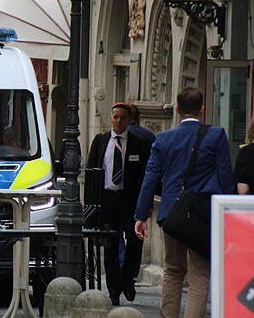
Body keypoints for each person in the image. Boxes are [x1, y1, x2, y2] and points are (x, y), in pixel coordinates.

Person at [134, 87, 235, 318]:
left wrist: (141, 216)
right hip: (202, 215)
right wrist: (230, 213)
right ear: (202, 107)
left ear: (177, 109)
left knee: (173, 270)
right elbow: (225, 178)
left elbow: (150, 179)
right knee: (199, 275)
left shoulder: (162, 139)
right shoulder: (216, 135)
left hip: (172, 214)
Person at [87, 102, 151, 306]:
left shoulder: (138, 143)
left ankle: (128, 278)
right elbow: (91, 173)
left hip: (130, 201)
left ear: (129, 120)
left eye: (122, 118)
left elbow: (145, 176)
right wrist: (91, 204)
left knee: (134, 241)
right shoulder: (100, 141)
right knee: (111, 245)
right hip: (107, 200)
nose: (118, 121)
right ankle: (114, 289)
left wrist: (145, 204)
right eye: (115, 117)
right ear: (111, 118)